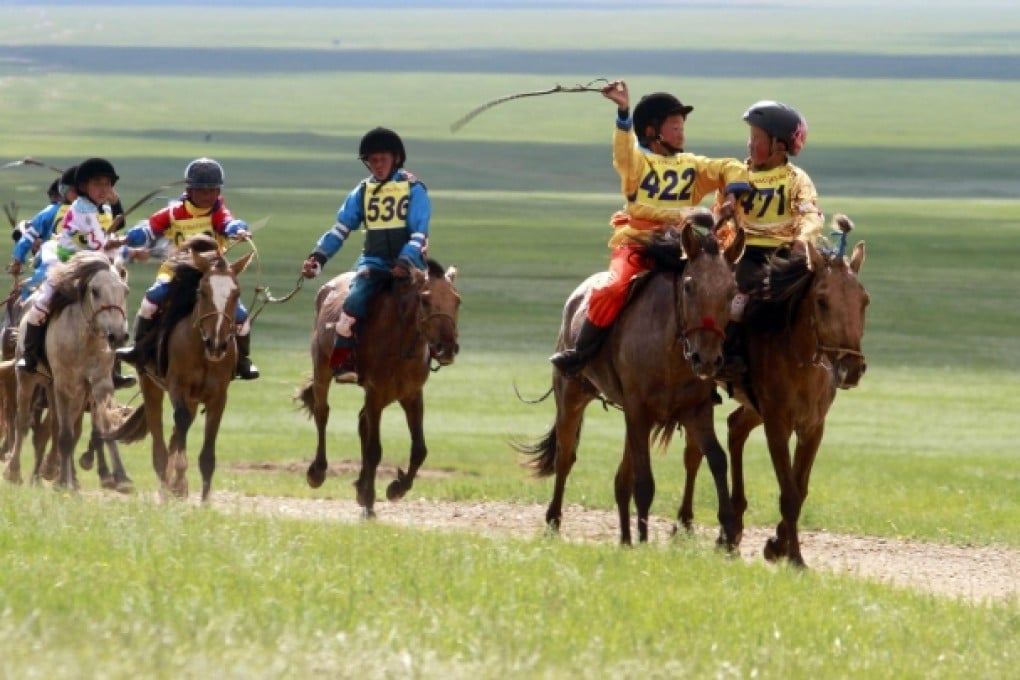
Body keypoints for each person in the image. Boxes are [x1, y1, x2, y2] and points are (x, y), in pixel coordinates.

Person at [549, 80, 749, 374]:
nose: (682, 133)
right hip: (639, 242)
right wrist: (622, 112)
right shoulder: (637, 162)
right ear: (652, 132)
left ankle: (721, 356)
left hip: (683, 246)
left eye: (682, 127)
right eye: (675, 127)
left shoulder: (691, 164)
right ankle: (581, 353)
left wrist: (732, 192)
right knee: (612, 288)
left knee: (716, 290)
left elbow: (730, 166)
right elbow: (623, 152)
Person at [300, 127, 430, 384]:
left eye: (382, 159)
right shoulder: (362, 192)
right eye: (371, 161)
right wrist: (318, 257)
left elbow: (419, 233)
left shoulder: (414, 189)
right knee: (354, 302)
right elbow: (340, 229)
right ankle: (344, 362)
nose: (377, 165)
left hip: (410, 264)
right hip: (374, 261)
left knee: (434, 303)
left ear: (395, 158)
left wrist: (405, 261)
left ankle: (436, 351)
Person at [115, 157, 257, 380]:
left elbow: (230, 224)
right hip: (176, 272)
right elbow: (149, 228)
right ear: (189, 190)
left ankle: (243, 360)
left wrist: (238, 230)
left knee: (240, 315)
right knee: (152, 299)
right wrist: (129, 237)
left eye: (212, 190)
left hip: (212, 276)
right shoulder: (173, 213)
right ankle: (138, 348)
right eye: (201, 190)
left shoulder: (219, 213)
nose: (207, 195)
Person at [713, 100, 824, 379]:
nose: (750, 145)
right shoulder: (739, 175)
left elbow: (811, 213)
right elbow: (721, 214)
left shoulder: (796, 179)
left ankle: (830, 353)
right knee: (735, 304)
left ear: (780, 146)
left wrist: (803, 239)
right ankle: (731, 356)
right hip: (747, 253)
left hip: (786, 253)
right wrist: (723, 215)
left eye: (757, 139)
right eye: (750, 138)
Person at [16, 158, 133, 388]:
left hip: (93, 264)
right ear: (83, 187)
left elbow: (107, 237)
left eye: (108, 184)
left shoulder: (103, 209)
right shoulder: (81, 209)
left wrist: (120, 240)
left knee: (114, 301)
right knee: (44, 299)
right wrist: (124, 244)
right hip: (67, 262)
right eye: (98, 184)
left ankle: (113, 367)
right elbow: (99, 241)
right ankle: (29, 355)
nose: (104, 190)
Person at [9, 165, 78, 300]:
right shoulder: (52, 211)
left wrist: (17, 261)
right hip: (66, 262)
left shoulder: (52, 211)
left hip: (68, 263)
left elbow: (28, 236)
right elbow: (29, 235)